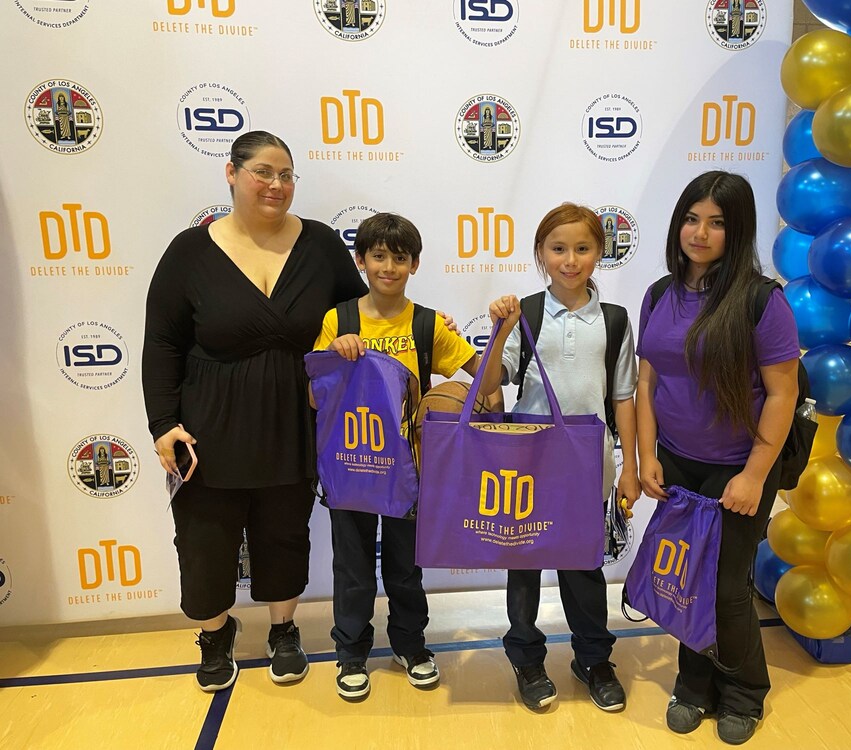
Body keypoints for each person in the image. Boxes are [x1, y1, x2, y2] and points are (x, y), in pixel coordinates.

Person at [142, 130, 368, 692]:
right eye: (264, 171)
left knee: (285, 532)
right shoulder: (189, 251)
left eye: (287, 174)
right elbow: (162, 342)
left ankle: (283, 629)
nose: (276, 184)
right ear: (232, 173)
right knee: (204, 540)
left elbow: (355, 317)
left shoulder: (319, 244)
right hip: (207, 427)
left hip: (295, 422)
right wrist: (162, 424)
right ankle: (214, 635)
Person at [633, 171, 799, 745]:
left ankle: (745, 691)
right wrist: (646, 455)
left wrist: (755, 475)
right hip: (678, 460)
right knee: (685, 576)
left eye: (718, 222)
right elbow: (648, 378)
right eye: (691, 218)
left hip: (739, 464)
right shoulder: (659, 293)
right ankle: (692, 684)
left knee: (727, 589)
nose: (700, 233)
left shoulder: (760, 299)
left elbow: (783, 393)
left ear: (738, 229)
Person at [312, 212, 483, 701]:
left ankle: (410, 644)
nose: (389, 266)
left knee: (406, 567)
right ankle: (351, 652)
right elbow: (312, 396)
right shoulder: (337, 320)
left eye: (400, 258)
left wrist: (503, 328)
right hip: (352, 465)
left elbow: (483, 377)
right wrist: (334, 355)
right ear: (361, 260)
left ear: (415, 264)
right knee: (353, 565)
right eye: (379, 256)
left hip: (409, 469)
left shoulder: (428, 323)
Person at [479, 203, 640, 712]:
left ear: (600, 253)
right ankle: (526, 659)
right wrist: (500, 328)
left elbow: (623, 398)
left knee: (582, 566)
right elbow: (488, 386)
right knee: (522, 564)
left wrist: (630, 467)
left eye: (582, 248)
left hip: (588, 460)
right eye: (558, 248)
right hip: (527, 461)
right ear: (542, 254)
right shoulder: (525, 313)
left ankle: (593, 658)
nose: (570, 259)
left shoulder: (613, 320)